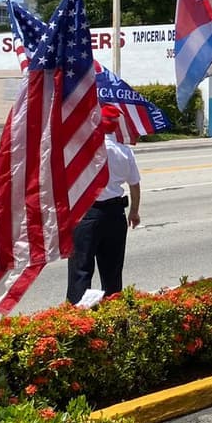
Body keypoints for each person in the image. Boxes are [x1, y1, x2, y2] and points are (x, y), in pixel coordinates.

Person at [68, 105, 142, 304]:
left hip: (88, 213)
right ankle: (113, 311)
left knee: (81, 269)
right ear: (115, 126)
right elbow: (134, 185)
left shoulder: (85, 148)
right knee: (112, 271)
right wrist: (134, 212)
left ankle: (78, 314)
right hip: (115, 214)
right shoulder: (125, 151)